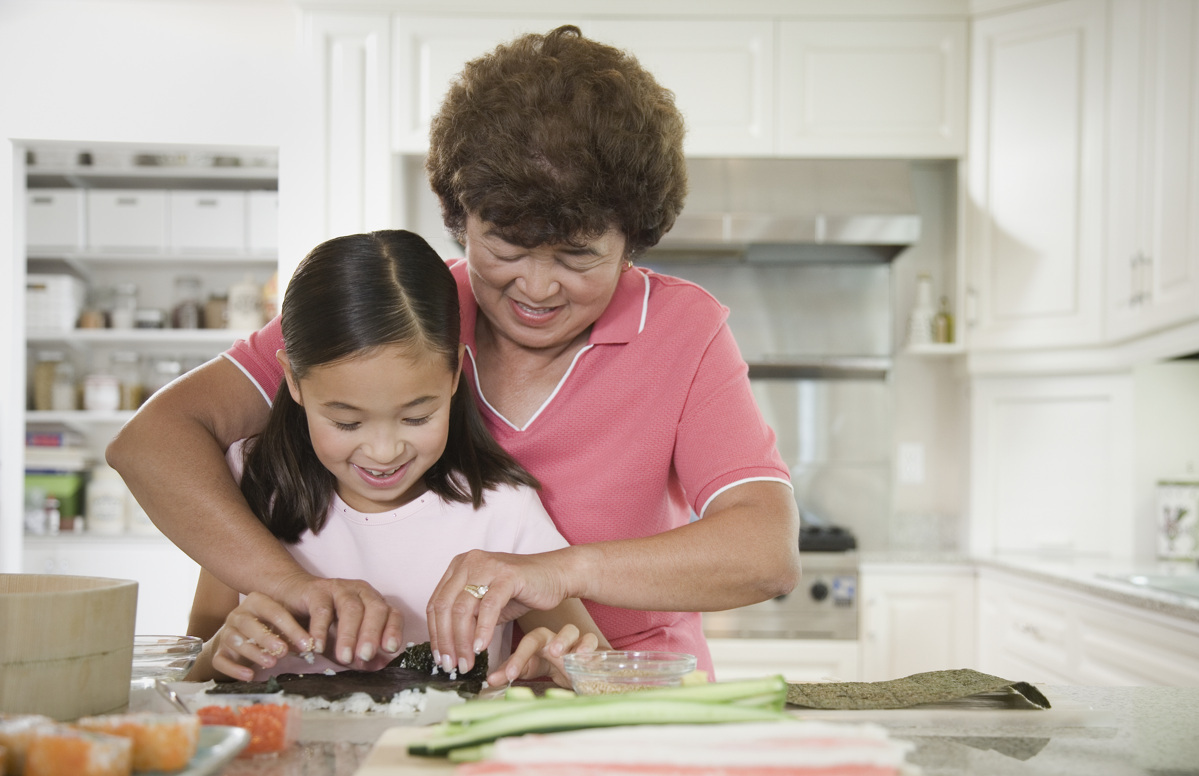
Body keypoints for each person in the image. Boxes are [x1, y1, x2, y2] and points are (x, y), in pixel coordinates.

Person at [108, 25, 801, 681]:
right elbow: (154, 442)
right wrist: (293, 589)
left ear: (634, 239)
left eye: (577, 254)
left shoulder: (684, 329)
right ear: (459, 214)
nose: (535, 286)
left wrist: (557, 570)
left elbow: (766, 552)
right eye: (505, 245)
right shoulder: (403, 314)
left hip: (627, 688)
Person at [182, 229, 604, 686]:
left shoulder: (503, 509)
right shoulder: (249, 483)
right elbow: (190, 680)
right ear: (294, 381)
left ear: (454, 375)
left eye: (417, 417)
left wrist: (554, 668)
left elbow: (597, 670)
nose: (383, 453)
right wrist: (221, 649)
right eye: (346, 423)